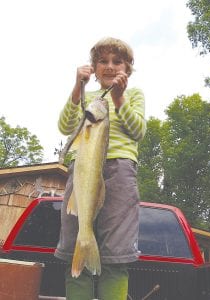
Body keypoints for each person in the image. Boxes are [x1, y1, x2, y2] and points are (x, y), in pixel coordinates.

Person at [55, 37, 146, 300]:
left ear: (127, 69)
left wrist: (118, 100)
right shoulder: (87, 96)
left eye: (117, 61)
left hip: (120, 172)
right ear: (93, 68)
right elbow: (65, 127)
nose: (109, 66)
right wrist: (76, 88)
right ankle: (80, 260)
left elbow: (138, 131)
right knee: (75, 245)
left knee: (116, 254)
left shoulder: (133, 95)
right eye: (102, 61)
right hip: (81, 172)